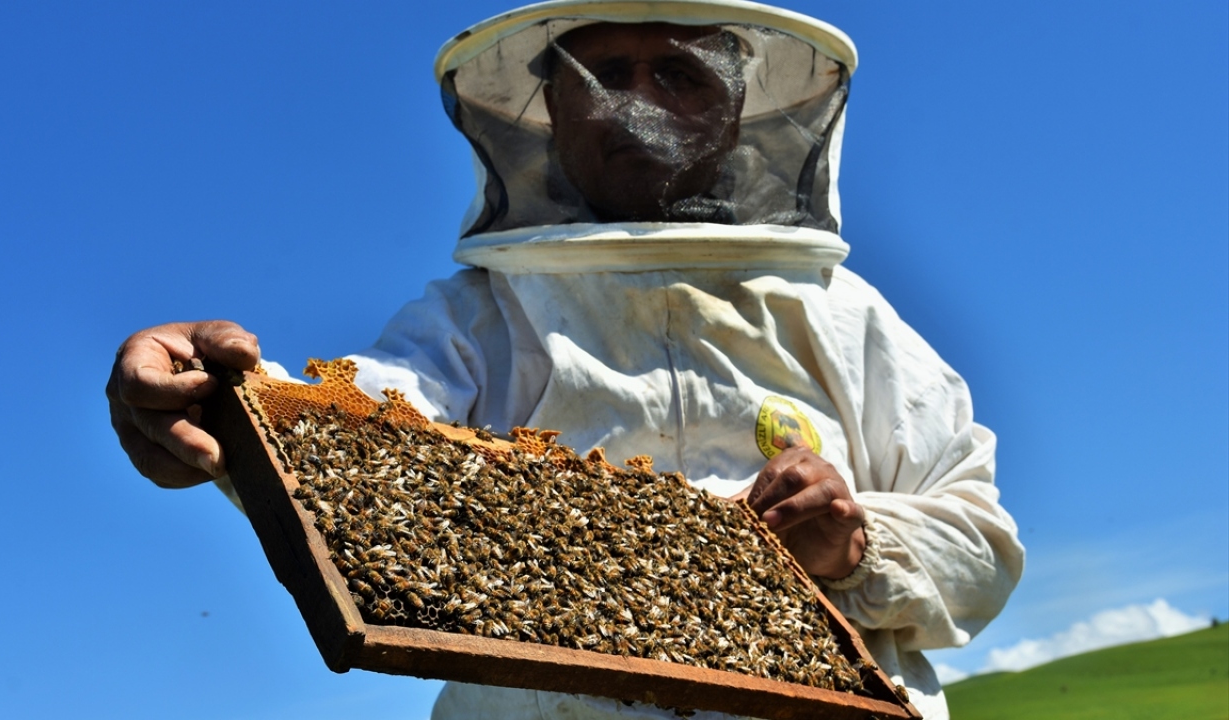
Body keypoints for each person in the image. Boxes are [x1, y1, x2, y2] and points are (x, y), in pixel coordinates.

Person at [106, 3, 1023, 719]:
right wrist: (215, 398)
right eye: (605, 73)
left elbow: (982, 549)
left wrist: (856, 541)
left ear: (733, 106)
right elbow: (355, 443)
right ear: (555, 106)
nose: (638, 102)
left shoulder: (850, 319)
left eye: (678, 72)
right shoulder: (479, 318)